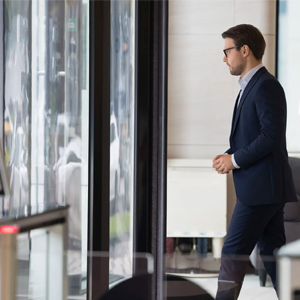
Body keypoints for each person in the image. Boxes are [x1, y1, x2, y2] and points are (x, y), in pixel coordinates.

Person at [212, 24, 297, 299]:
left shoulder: (266, 85)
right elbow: (254, 135)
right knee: (273, 256)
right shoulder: (251, 86)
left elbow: (270, 137)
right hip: (263, 188)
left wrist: (234, 160)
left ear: (244, 50)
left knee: (232, 253)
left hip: (261, 190)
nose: (224, 58)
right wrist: (229, 155)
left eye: (227, 51)